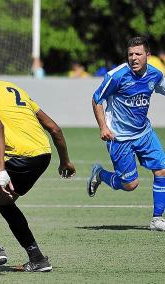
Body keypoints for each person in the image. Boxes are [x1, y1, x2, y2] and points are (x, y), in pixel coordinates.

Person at [0, 53, 76, 273]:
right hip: (43, 154)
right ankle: (37, 258)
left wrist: (1, 172)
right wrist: (65, 161)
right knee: (4, 202)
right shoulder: (13, 88)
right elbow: (54, 128)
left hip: (18, 158)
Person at [88, 36, 165, 231]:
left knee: (162, 170)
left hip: (143, 133)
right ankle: (100, 174)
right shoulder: (117, 76)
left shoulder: (155, 74)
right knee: (130, 184)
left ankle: (157, 219)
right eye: (130, 54)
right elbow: (96, 99)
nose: (134, 58)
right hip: (119, 137)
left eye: (138, 54)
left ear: (148, 55)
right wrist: (103, 127)